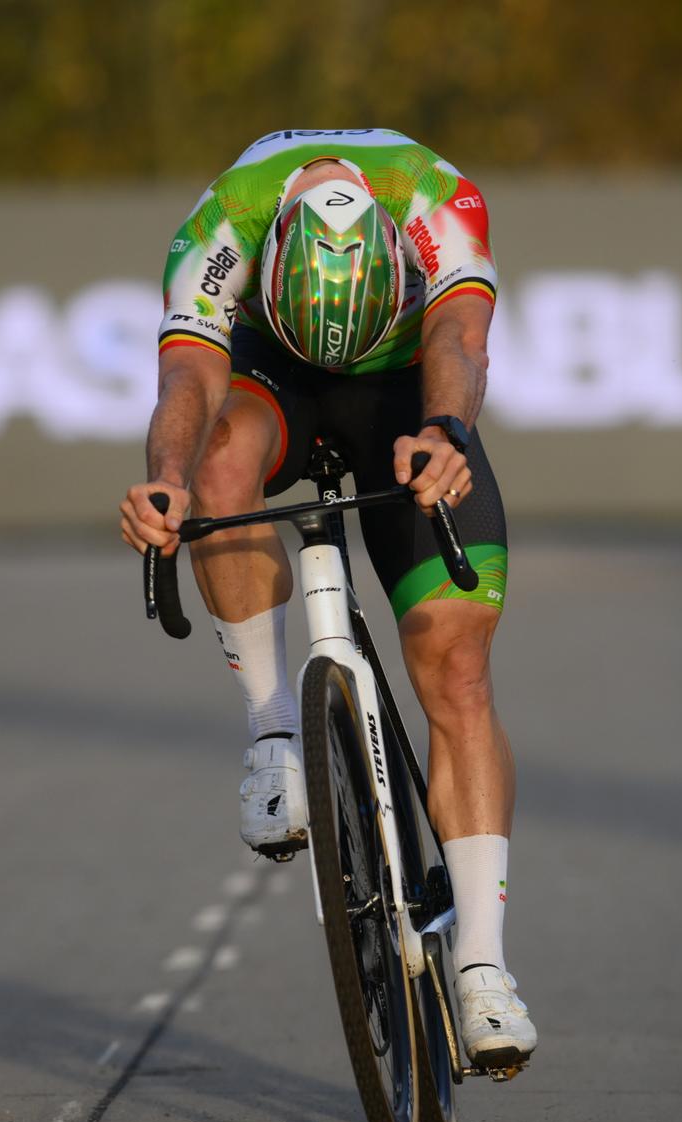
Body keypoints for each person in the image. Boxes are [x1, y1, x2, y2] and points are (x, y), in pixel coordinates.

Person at [118, 128, 534, 1072]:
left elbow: (459, 338)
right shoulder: (223, 220)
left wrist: (444, 432)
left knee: (458, 672)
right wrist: (166, 479)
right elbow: (188, 374)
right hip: (278, 376)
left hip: (404, 385)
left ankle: (481, 967)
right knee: (220, 462)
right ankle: (274, 730)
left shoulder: (436, 201)